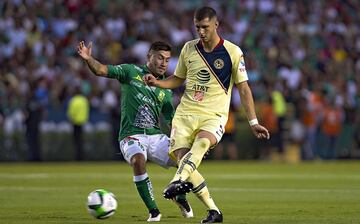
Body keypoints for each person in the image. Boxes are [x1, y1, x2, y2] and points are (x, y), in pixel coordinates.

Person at [144, 7, 270, 223]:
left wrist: (253, 122)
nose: (201, 32)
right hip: (184, 114)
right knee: (184, 160)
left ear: (216, 25)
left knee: (201, 145)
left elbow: (244, 89)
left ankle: (176, 181)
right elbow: (177, 79)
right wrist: (158, 83)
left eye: (205, 27)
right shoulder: (188, 48)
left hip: (213, 115)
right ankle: (214, 212)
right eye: (197, 27)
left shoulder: (232, 52)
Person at [77, 40, 194, 222]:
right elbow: (101, 70)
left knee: (186, 159)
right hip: (131, 136)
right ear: (149, 57)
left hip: (155, 136)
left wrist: (183, 138)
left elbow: (171, 118)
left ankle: (179, 195)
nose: (164, 63)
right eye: (160, 58)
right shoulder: (130, 72)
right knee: (138, 160)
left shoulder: (166, 88)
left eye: (167, 59)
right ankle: (154, 212)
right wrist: (88, 58)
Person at [67, 86, 89, 161]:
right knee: (81, 141)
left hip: (75, 123)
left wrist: (71, 120)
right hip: (83, 122)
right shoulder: (84, 100)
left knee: (76, 141)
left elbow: (71, 113)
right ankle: (82, 157)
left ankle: (77, 157)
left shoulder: (73, 100)